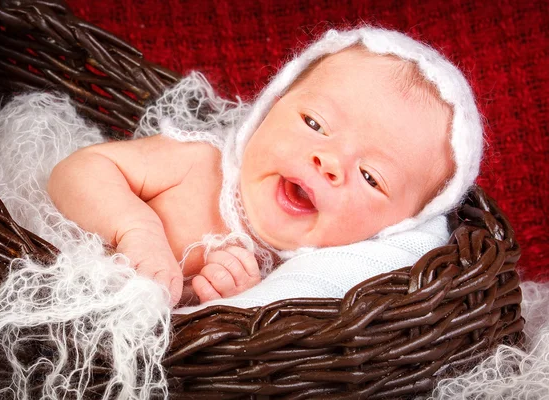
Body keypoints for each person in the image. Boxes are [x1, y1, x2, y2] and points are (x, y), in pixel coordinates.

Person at [47, 27, 483, 307]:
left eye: (371, 177)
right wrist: (136, 230)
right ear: (268, 111)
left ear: (392, 231)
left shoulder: (308, 284)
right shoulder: (199, 165)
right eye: (314, 123)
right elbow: (80, 169)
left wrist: (238, 303)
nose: (329, 162)